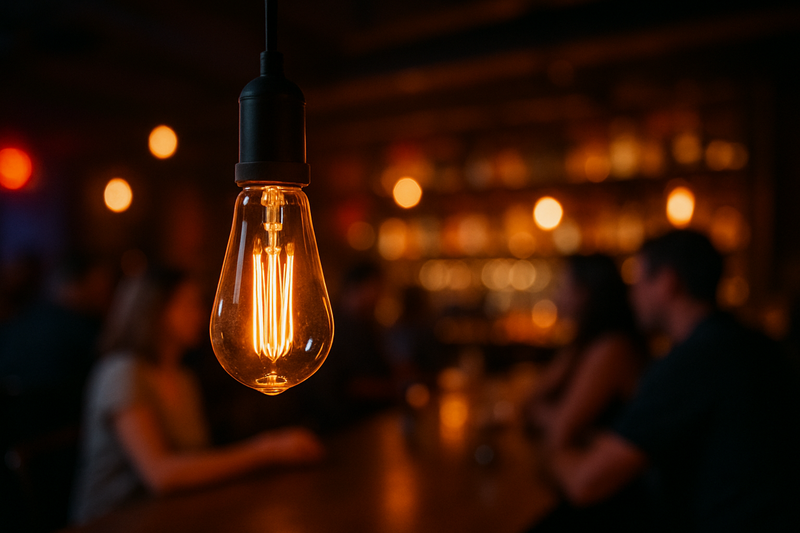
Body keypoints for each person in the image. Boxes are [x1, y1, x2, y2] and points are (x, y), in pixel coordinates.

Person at [550, 230, 800, 531]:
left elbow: (585, 485)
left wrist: (552, 455)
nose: (631, 295)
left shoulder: (694, 361)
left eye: (639, 281)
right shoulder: (750, 343)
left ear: (667, 282)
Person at [70, 268, 324, 525]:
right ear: (156, 310)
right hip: (114, 521)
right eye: (190, 304)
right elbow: (161, 475)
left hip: (171, 516)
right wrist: (267, 450)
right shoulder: (122, 372)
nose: (202, 316)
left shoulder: (182, 377)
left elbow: (197, 456)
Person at [527, 254, 648, 532]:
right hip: (589, 483)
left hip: (611, 499)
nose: (556, 294)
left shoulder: (612, 348)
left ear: (584, 294)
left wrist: (551, 416)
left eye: (562, 285)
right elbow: (530, 403)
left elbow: (558, 432)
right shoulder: (584, 344)